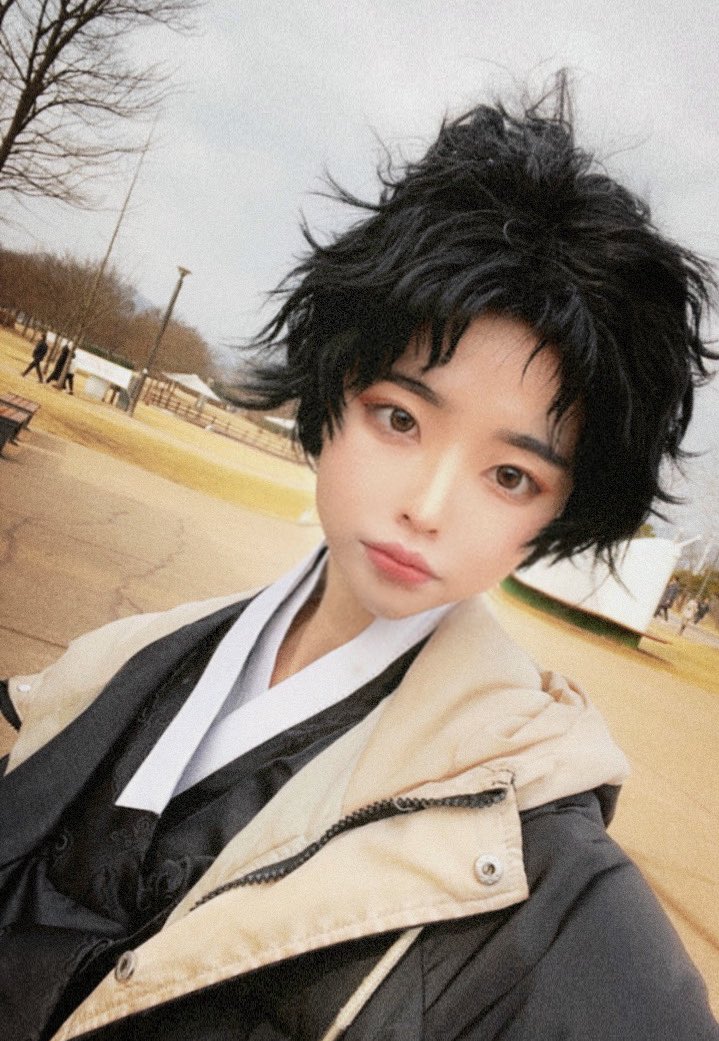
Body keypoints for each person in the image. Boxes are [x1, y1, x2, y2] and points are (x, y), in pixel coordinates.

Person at [1, 83, 718, 1041]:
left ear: (561, 508)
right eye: (400, 418)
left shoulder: (539, 869)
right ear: (331, 390)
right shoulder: (122, 659)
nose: (427, 507)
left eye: (509, 475)